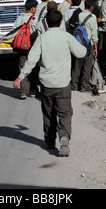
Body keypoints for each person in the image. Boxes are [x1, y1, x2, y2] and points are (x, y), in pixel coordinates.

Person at [13, 9, 87, 157]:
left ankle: (49, 141)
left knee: (48, 112)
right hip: (63, 83)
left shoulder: (42, 38)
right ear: (61, 22)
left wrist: (20, 77)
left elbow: (31, 60)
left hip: (47, 84)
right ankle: (64, 137)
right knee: (65, 112)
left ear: (46, 22)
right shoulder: (67, 37)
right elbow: (81, 53)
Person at [0, 0, 38, 100]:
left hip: (22, 48)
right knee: (33, 68)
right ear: (33, 8)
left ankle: (24, 91)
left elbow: (14, 31)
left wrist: (2, 38)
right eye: (36, 7)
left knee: (22, 67)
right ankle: (33, 91)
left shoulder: (20, 18)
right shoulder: (35, 18)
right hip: (34, 48)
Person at [71, 0, 98, 92]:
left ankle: (74, 85)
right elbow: (94, 35)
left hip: (78, 42)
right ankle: (84, 86)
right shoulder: (92, 18)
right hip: (88, 44)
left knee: (76, 65)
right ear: (91, 7)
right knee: (87, 66)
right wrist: (95, 48)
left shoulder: (78, 15)